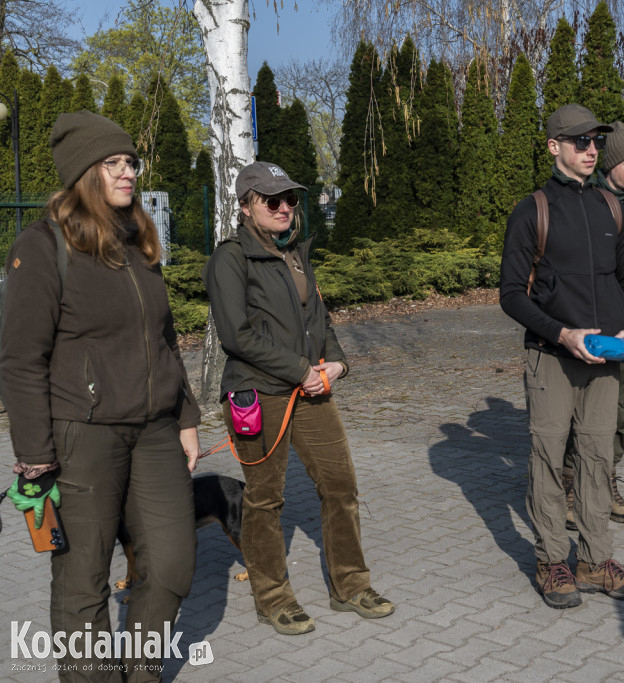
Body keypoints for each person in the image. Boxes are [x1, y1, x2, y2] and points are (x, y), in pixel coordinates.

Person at [1, 110, 201, 681]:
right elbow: (19, 359)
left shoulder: (138, 241)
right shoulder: (42, 247)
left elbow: (163, 338)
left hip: (156, 431)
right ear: (84, 171)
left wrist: (186, 414)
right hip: (81, 434)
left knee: (170, 565)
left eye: (131, 161)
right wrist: (35, 455)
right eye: (113, 162)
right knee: (83, 579)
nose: (128, 172)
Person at [203, 161, 394, 636]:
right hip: (258, 392)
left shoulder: (295, 253)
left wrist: (337, 362)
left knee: (341, 486)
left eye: (290, 198)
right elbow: (236, 335)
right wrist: (299, 370)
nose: (285, 207)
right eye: (273, 200)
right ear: (247, 206)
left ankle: (350, 585)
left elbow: (320, 322)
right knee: (265, 499)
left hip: (311, 390)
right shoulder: (231, 258)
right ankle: (272, 596)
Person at [500, 104, 624, 609]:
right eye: (580, 142)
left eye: (595, 142)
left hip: (606, 359)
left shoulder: (611, 208)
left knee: (596, 458)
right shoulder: (533, 210)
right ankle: (551, 563)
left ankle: (594, 561)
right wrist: (561, 333)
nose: (591, 150)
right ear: (554, 147)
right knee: (547, 461)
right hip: (551, 356)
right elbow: (510, 295)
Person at [562, 121, 624, 529]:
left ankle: (606, 482)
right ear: (612, 163)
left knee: (619, 411)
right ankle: (570, 488)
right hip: (587, 330)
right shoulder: (588, 203)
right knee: (579, 413)